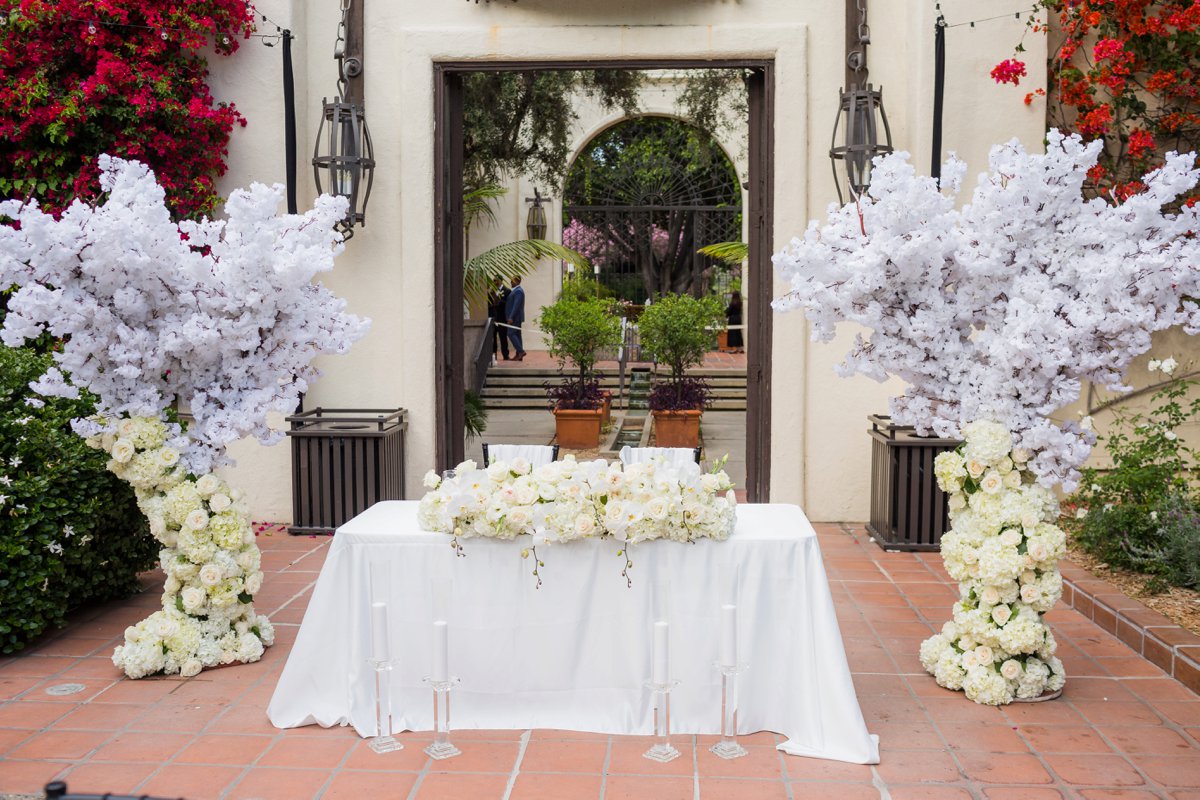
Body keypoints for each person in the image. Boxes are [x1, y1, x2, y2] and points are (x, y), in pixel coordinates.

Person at [487, 277, 510, 361]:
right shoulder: (490, 291)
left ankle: (505, 355)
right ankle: (494, 355)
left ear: (500, 280)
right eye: (493, 281)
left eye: (496, 280)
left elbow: (507, 303)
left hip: (502, 318)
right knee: (493, 337)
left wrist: (498, 301)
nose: (494, 282)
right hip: (493, 317)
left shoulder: (507, 290)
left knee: (503, 337)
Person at [505, 275, 527, 361]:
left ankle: (521, 351)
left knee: (510, 333)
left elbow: (516, 306)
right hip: (515, 317)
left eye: (512, 281)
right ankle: (519, 355)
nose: (511, 282)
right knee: (517, 335)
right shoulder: (516, 291)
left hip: (515, 318)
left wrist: (511, 317)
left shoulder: (518, 291)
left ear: (517, 281)